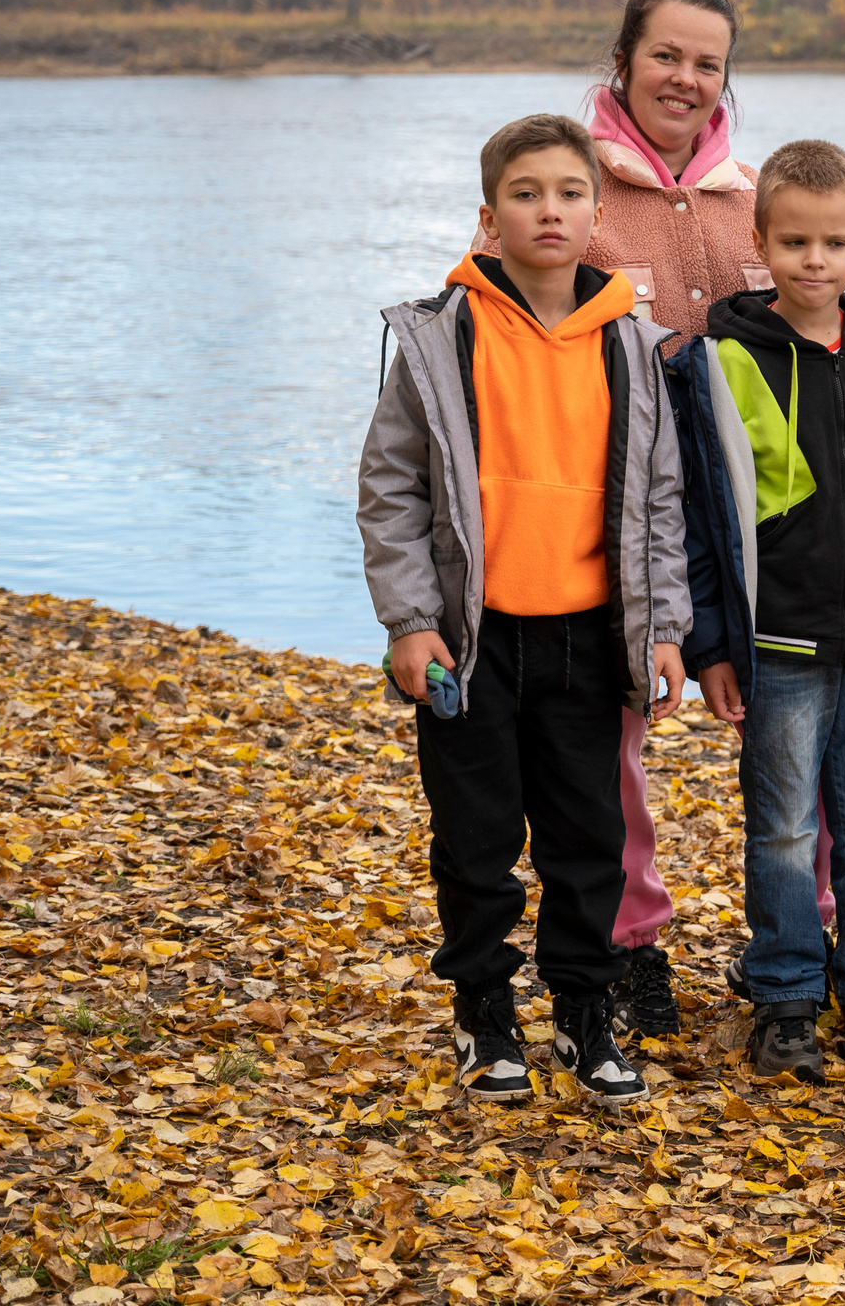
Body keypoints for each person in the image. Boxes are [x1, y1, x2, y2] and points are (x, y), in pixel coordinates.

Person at [360, 112, 692, 1107]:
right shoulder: (439, 336)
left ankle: (586, 1016)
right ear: (488, 214)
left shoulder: (628, 344)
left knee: (588, 838)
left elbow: (660, 496)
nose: (548, 210)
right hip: (473, 638)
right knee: (475, 837)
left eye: (567, 193)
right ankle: (483, 1014)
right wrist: (410, 620)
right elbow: (392, 490)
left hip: (589, 639)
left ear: (597, 212)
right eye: (525, 193)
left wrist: (665, 625)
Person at [472, 0, 769, 1041]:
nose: (685, 79)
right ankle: (627, 943)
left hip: (745, 520)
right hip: (607, 517)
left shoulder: (754, 199)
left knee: (786, 731)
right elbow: (488, 332)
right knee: (611, 752)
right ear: (623, 60)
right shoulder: (571, 191)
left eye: (708, 63)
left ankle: (803, 943)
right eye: (666, 57)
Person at [669, 140, 845, 1087]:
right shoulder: (721, 360)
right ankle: (783, 996)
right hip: (776, 643)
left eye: (834, 243)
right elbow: (700, 514)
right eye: (794, 243)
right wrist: (709, 646)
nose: (814, 262)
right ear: (761, 242)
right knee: (778, 829)